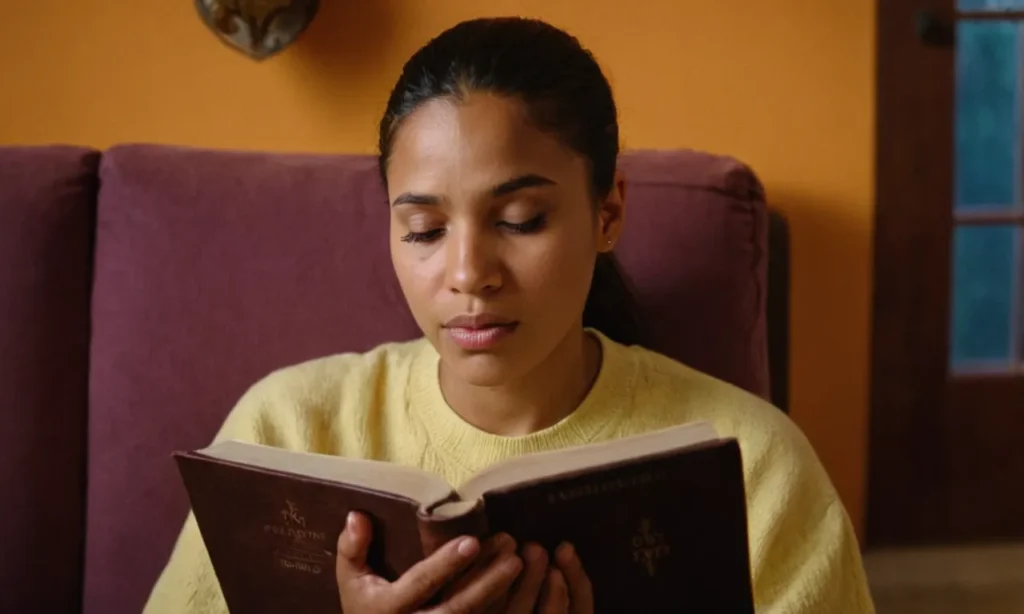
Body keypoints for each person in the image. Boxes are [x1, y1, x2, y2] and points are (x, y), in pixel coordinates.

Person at [143, 16, 876, 614]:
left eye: (521, 219)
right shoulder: (290, 432)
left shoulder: (753, 466)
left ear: (608, 211)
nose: (468, 275)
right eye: (425, 231)